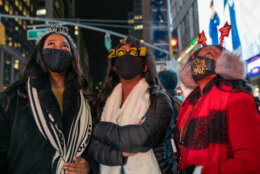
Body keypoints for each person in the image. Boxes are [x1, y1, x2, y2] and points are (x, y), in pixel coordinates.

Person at [0, 26, 96, 174]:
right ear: (40, 53)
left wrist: (89, 167)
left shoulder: (87, 103)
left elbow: (95, 148)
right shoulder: (14, 97)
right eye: (51, 44)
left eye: (65, 46)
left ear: (72, 58)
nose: (58, 49)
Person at [89, 38, 174, 174]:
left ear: (145, 66)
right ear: (115, 66)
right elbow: (94, 147)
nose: (126, 58)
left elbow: (143, 137)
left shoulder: (158, 99)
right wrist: (120, 154)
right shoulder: (104, 101)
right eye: (121, 54)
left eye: (133, 54)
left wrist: (99, 129)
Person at [175, 45, 260, 174]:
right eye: (195, 57)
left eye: (209, 54)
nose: (199, 59)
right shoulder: (190, 106)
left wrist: (199, 172)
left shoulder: (237, 100)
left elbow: (250, 165)